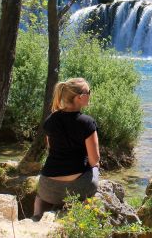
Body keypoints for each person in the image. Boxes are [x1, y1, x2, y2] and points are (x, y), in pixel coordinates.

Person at [33, 77, 100, 219]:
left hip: (47, 190)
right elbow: (94, 160)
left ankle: (36, 216)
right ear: (80, 97)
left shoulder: (50, 120)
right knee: (96, 167)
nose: (90, 95)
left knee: (39, 196)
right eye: (89, 92)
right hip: (77, 190)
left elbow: (51, 149)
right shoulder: (87, 123)